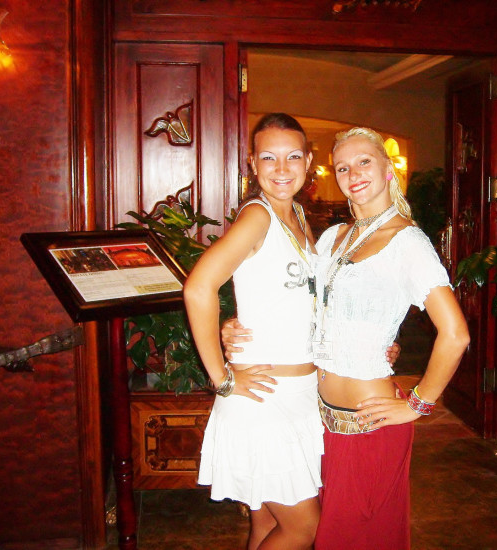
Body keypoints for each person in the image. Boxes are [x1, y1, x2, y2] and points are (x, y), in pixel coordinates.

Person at [223, 126, 470, 550]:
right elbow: (292, 298)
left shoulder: (407, 241)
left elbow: (455, 333)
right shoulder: (333, 237)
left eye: (364, 162)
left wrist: (418, 403)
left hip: (368, 424)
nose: (353, 174)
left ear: (389, 169)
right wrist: (235, 322)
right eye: (342, 167)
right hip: (317, 419)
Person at [183, 113, 323, 550]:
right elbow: (199, 287)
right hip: (265, 399)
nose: (281, 168)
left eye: (293, 157)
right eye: (268, 158)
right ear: (252, 163)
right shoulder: (258, 217)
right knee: (303, 528)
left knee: (265, 525)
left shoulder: (297, 215)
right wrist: (221, 378)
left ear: (308, 162)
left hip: (300, 395)